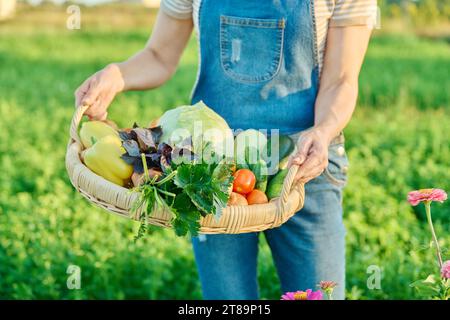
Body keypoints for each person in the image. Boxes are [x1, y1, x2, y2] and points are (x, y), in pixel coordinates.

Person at [75, 0, 377, 300]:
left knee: (319, 295)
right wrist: (117, 74)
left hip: (304, 165)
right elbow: (158, 55)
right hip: (211, 173)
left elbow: (341, 80)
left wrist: (323, 131)